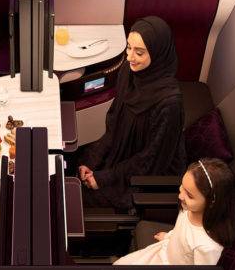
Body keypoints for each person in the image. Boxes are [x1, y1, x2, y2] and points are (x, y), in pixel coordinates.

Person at [69, 16, 186, 211]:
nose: (130, 57)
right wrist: (92, 162)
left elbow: (150, 160)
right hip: (121, 155)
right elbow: (114, 125)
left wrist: (104, 178)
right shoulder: (128, 72)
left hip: (146, 174)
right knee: (72, 165)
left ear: (157, 54)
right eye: (128, 47)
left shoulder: (170, 104)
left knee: (75, 197)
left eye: (139, 52)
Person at [114, 159, 235, 266]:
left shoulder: (208, 247)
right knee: (120, 267)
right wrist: (169, 238)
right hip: (163, 252)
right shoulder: (188, 208)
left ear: (212, 202)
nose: (181, 196)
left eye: (189, 195)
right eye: (182, 187)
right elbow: (181, 231)